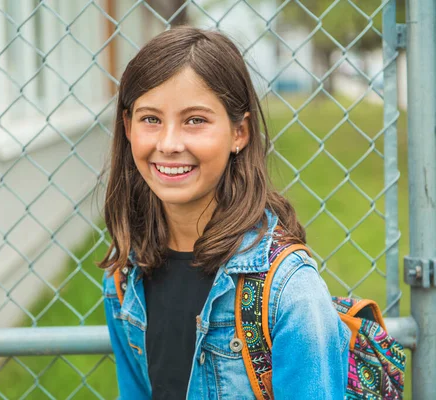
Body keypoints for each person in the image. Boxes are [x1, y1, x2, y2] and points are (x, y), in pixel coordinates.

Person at [98, 26, 351, 400]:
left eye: (195, 120)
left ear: (239, 133)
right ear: (128, 128)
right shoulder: (124, 279)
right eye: (150, 119)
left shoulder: (291, 294)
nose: (168, 144)